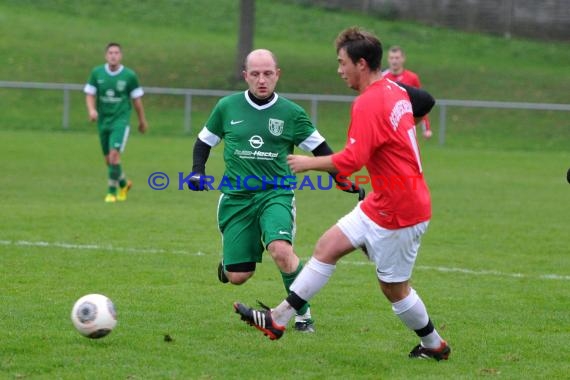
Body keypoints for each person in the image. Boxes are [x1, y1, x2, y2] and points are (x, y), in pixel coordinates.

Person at [234, 28, 451, 361]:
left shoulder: (369, 103)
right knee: (327, 246)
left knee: (394, 290)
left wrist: (308, 163)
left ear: (361, 64)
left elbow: (351, 162)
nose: (339, 70)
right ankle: (278, 319)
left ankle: (434, 345)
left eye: (342, 63)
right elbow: (424, 102)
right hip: (383, 200)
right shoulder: (394, 89)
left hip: (401, 210)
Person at [189, 49, 360, 333]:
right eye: (255, 74)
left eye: (268, 73)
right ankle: (228, 263)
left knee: (281, 250)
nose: (261, 80)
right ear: (245, 76)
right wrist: (197, 170)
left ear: (277, 74)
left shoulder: (292, 113)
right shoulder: (227, 107)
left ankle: (303, 315)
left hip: (276, 194)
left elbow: (321, 150)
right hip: (237, 198)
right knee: (238, 276)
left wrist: (340, 178)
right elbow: (203, 142)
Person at [84, 42, 148, 203]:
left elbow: (137, 101)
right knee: (109, 160)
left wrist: (142, 121)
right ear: (106, 56)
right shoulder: (97, 73)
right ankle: (124, 183)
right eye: (110, 53)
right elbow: (90, 94)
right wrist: (91, 110)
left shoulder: (129, 76)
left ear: (121, 56)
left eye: (116, 53)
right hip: (103, 121)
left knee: (114, 155)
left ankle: (111, 192)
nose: (113, 55)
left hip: (120, 121)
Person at [383, 46, 432, 139]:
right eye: (391, 58)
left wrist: (426, 128)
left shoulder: (412, 78)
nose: (394, 61)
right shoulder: (382, 77)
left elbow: (421, 103)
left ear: (403, 59)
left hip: (406, 124)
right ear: (388, 59)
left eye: (397, 58)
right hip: (386, 125)